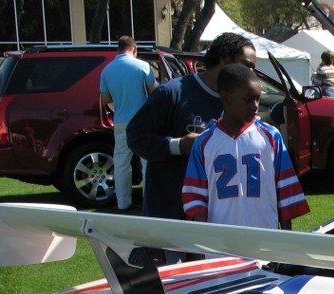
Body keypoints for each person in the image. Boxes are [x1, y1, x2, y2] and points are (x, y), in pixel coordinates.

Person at [127, 32, 257, 221]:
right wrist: (178, 146)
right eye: (246, 65)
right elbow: (134, 136)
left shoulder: (240, 103)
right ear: (223, 59)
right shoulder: (172, 93)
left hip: (221, 220)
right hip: (172, 217)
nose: (250, 74)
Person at [182, 63, 309, 231]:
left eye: (258, 99)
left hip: (264, 241)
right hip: (220, 245)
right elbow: (196, 198)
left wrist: (283, 245)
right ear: (225, 97)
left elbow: (286, 194)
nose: (255, 106)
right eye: (248, 99)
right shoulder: (204, 142)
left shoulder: (271, 137)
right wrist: (203, 244)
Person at [99, 35, 157, 211]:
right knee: (147, 161)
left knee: (121, 162)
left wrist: (117, 107)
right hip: (143, 121)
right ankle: (149, 200)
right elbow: (154, 93)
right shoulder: (143, 67)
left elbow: (105, 98)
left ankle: (123, 202)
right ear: (134, 49)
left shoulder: (107, 70)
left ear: (118, 49)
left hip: (121, 121)